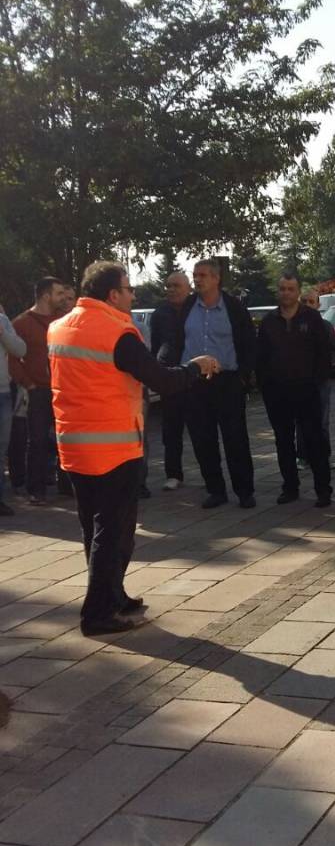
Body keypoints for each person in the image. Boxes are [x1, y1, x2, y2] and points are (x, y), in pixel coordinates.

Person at [48, 260, 219, 636]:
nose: (133, 294)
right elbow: (161, 380)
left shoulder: (59, 327)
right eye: (128, 289)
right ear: (113, 295)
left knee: (94, 529)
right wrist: (196, 367)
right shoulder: (117, 333)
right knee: (114, 533)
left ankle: (112, 596)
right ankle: (97, 614)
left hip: (73, 446)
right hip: (113, 448)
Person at [177, 259, 257, 508]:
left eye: (202, 275)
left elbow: (248, 343)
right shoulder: (188, 306)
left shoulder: (233, 307)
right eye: (195, 275)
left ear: (216, 278)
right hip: (195, 383)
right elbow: (177, 339)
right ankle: (215, 490)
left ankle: (244, 491)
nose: (197, 280)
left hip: (227, 381)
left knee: (235, 438)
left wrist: (244, 376)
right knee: (202, 439)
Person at [256, 273, 332, 506]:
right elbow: (261, 358)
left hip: (307, 390)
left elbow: (324, 353)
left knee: (314, 440)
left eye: (291, 289)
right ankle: (290, 487)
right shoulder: (268, 322)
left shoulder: (312, 318)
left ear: (298, 291)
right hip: (277, 393)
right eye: (282, 289)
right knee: (283, 441)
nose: (286, 293)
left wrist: (317, 381)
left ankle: (323, 489)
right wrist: (266, 387)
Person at [9, 277, 66, 505]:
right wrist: (29, 384)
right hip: (39, 390)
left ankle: (67, 485)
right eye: (59, 293)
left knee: (66, 439)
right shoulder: (21, 323)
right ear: (45, 295)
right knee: (38, 441)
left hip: (63, 390)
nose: (63, 298)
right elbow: (12, 359)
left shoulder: (63, 320)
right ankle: (36, 489)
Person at [150, 271, 193, 490]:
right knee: (171, 429)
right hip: (170, 376)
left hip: (194, 375)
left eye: (176, 286)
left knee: (200, 428)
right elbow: (156, 344)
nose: (171, 290)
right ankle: (173, 474)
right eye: (168, 286)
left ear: (188, 288)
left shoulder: (196, 309)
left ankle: (210, 474)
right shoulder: (160, 314)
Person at [297, 287, 335, 464]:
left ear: (318, 305)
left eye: (311, 302)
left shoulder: (326, 326)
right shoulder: (292, 325)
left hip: (320, 380)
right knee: (301, 420)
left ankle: (323, 456)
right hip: (299, 380)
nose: (308, 305)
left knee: (322, 420)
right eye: (304, 301)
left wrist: (323, 366)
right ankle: (302, 456)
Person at [0, 304, 26, 518]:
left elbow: (20, 349)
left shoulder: (2, 320)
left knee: (1, 448)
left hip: (3, 393)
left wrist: (3, 334)